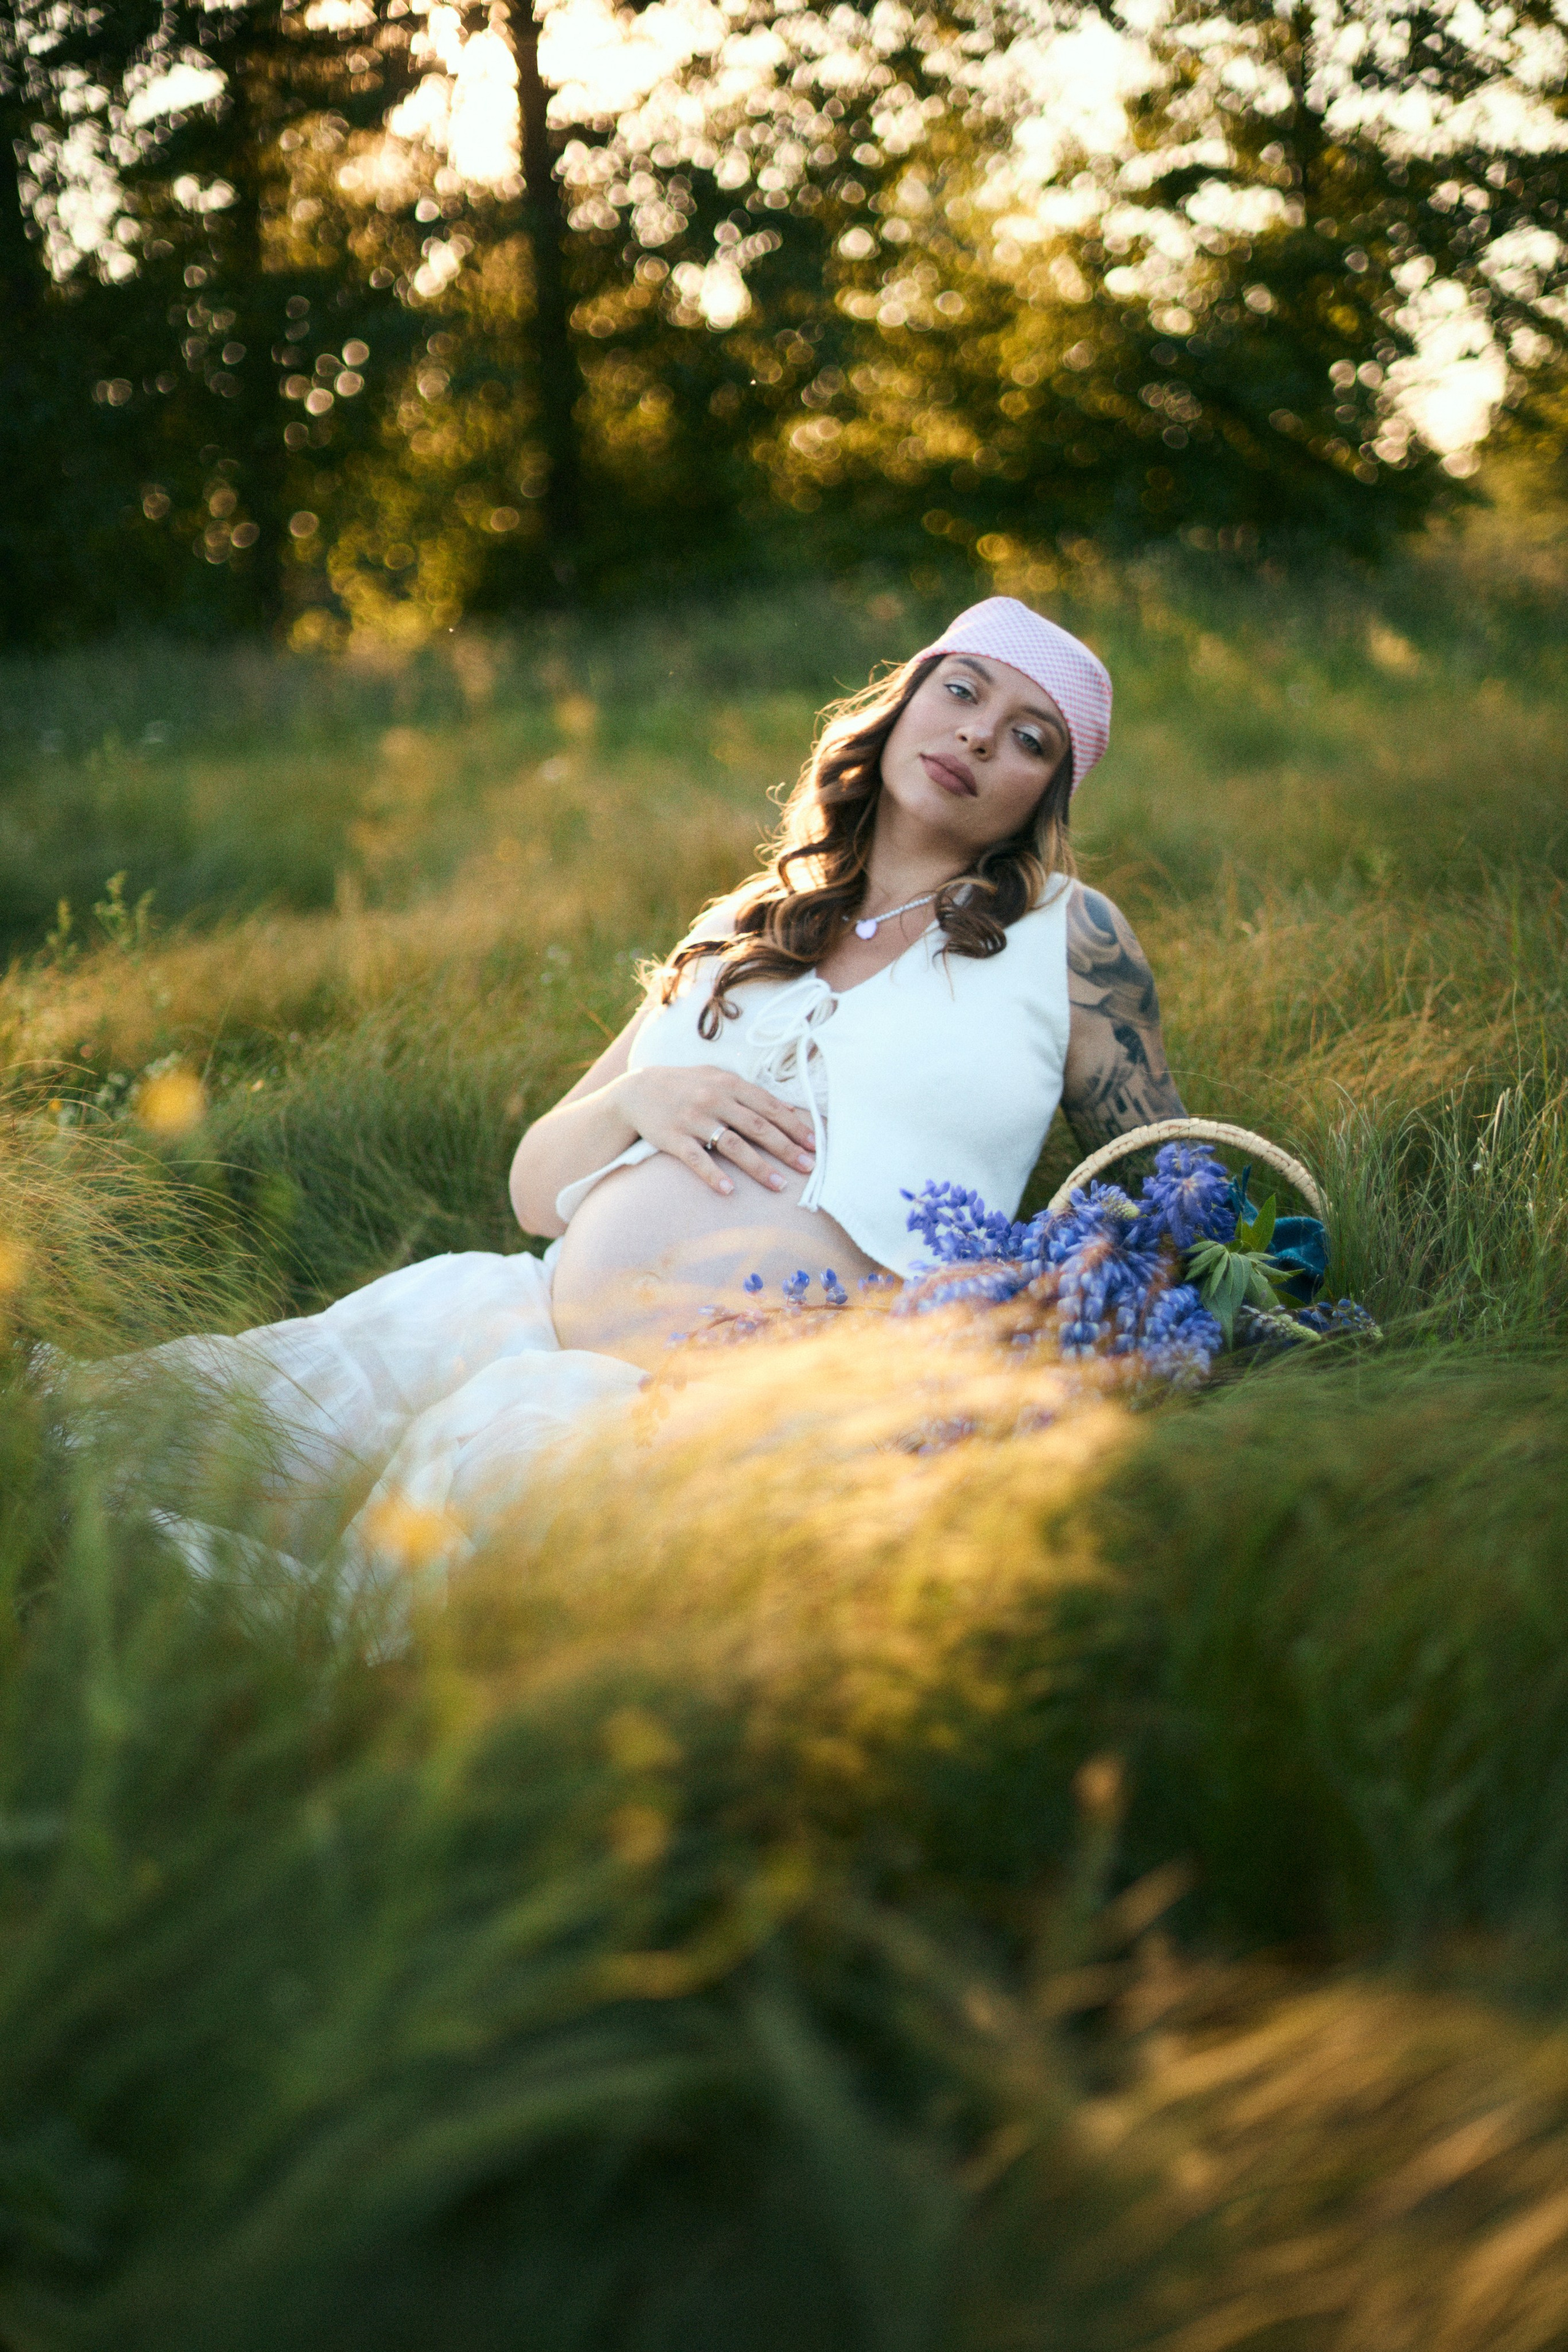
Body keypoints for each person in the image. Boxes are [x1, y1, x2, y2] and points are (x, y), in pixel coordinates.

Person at [136, 597, 1184, 1551]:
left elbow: (1173, 1183)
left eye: (1027, 739)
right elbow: (536, 1189)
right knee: (183, 1440)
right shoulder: (751, 921)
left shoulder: (1067, 938)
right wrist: (642, 1097)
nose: (977, 734)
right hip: (521, 1317)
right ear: (905, 703)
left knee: (402, 1590)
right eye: (962, 691)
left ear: (1046, 796)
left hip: (753, 1410)